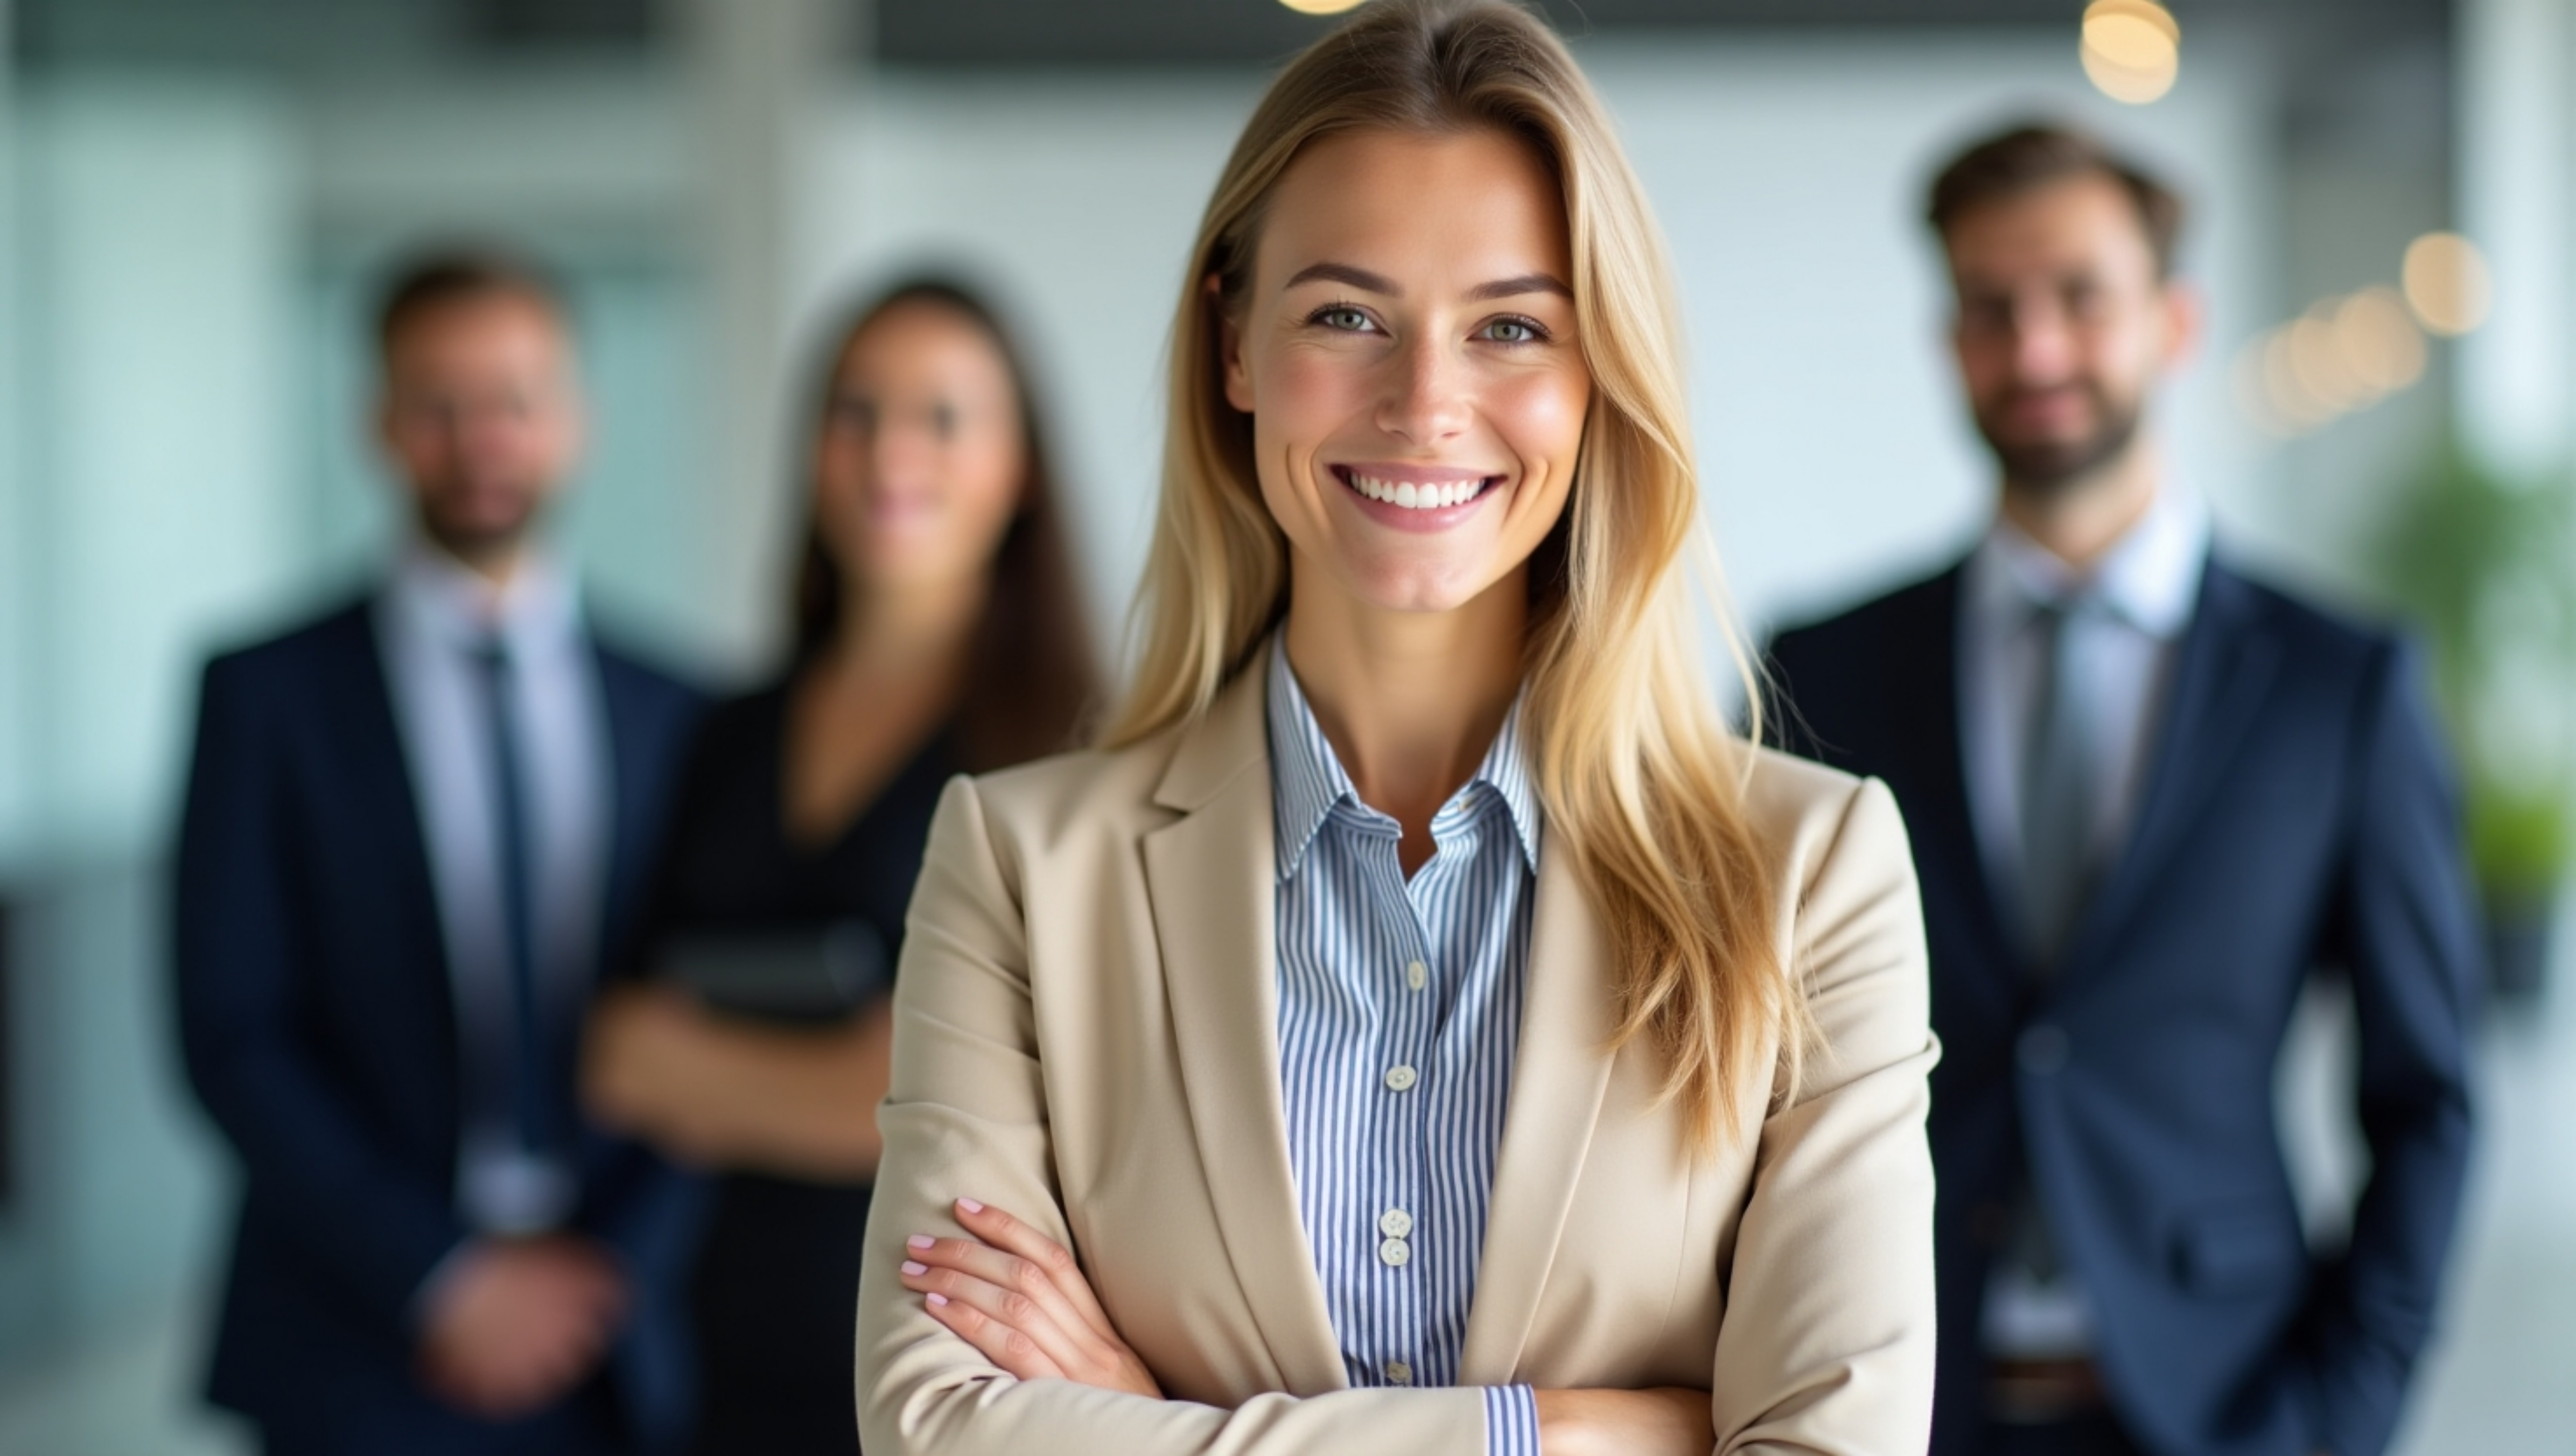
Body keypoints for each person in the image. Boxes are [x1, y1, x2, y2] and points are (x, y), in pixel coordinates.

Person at [853, 4, 1939, 1453]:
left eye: (1510, 327)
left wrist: (1156, 1421)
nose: (1427, 403)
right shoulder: (1018, 868)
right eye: (1347, 316)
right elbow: (940, 1428)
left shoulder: (1811, 876)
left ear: (1598, 370)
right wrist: (1581, 1431)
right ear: (1235, 342)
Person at [1767, 124, 2479, 1456]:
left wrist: (2340, 1419)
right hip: (1896, 1405)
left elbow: (2427, 1099)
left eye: (2080, 298)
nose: (2036, 350)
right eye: (1992, 309)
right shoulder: (1825, 672)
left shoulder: (2340, 687)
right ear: (1953, 340)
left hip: (2224, 1402)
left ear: (2175, 318)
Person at [173, 251, 706, 1455]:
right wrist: (445, 1276)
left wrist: (610, 1272)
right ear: (380, 423)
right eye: (438, 401)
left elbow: (710, 1017)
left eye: (514, 399)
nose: (481, 437)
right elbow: (230, 1030)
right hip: (352, 1334)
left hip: (627, 1346)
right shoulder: (263, 698)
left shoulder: (682, 710)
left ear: (574, 423)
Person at [580, 277, 1102, 1455]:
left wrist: (721, 1078)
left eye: (942, 418)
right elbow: (620, 1052)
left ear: (1020, 467)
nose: (888, 454)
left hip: (949, 1368)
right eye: (855, 412)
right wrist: (854, 1079)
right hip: (714, 1347)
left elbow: (1013, 1102)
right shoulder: (726, 731)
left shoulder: (1080, 751)